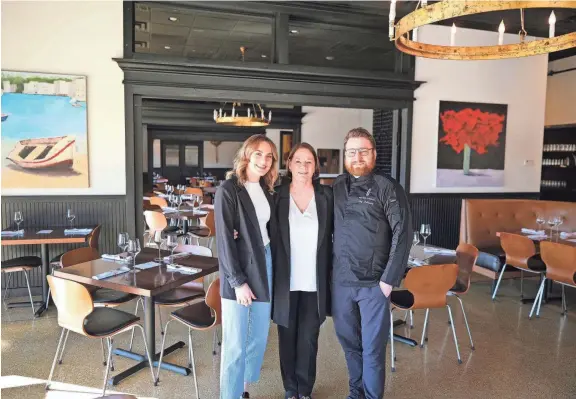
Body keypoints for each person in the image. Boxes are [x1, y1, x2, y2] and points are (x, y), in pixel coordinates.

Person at [332, 127, 412, 399]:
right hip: (342, 282)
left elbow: (403, 233)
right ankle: (355, 394)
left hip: (374, 285)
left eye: (363, 151)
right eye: (352, 152)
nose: (357, 157)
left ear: (373, 154)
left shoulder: (387, 187)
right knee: (349, 344)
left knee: (373, 348)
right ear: (345, 155)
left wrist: (389, 280)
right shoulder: (337, 187)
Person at [214, 134, 278, 399]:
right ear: (247, 155)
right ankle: (230, 394)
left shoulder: (267, 189)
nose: (263, 161)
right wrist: (237, 282)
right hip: (238, 267)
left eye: (269, 156)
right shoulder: (228, 190)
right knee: (235, 343)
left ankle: (243, 387)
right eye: (258, 154)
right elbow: (225, 240)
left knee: (259, 335)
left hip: (265, 262)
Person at [272, 143, 333, 399]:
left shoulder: (327, 196)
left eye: (309, 162)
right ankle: (290, 389)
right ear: (289, 163)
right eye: (298, 161)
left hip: (314, 282)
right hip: (284, 280)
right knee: (286, 338)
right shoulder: (276, 195)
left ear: (315, 166)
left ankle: (304, 390)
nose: (303, 167)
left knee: (309, 339)